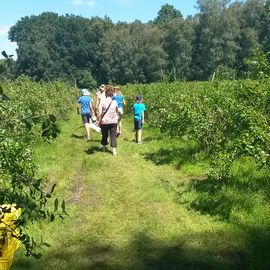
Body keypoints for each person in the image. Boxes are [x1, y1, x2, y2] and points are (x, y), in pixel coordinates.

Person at [98, 86, 118, 155]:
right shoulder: (115, 102)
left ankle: (104, 148)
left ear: (106, 94)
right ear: (112, 94)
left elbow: (99, 113)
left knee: (104, 135)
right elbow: (116, 111)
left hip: (104, 122)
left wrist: (98, 119)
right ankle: (114, 151)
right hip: (113, 121)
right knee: (113, 136)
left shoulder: (102, 102)